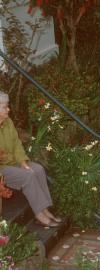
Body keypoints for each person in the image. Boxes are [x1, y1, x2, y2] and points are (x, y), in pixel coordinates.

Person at [0, 91, 61, 227]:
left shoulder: (8, 122)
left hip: (13, 162)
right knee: (28, 176)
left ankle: (45, 209)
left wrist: (22, 161)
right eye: (5, 107)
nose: (8, 109)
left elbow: (16, 143)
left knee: (38, 169)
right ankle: (39, 214)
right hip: (2, 168)